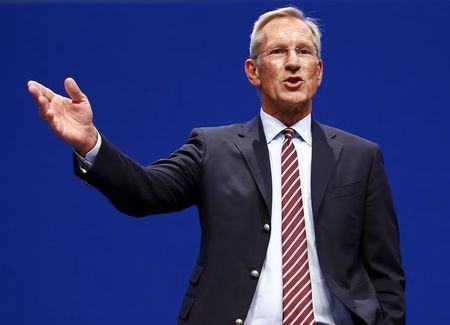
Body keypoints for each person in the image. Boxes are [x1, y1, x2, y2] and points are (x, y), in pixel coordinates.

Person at [28, 6, 405, 325]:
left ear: (319, 71)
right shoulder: (213, 147)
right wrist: (91, 143)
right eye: (277, 52)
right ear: (253, 71)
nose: (293, 62)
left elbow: (385, 274)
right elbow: (144, 192)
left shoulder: (361, 156)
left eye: (304, 52)